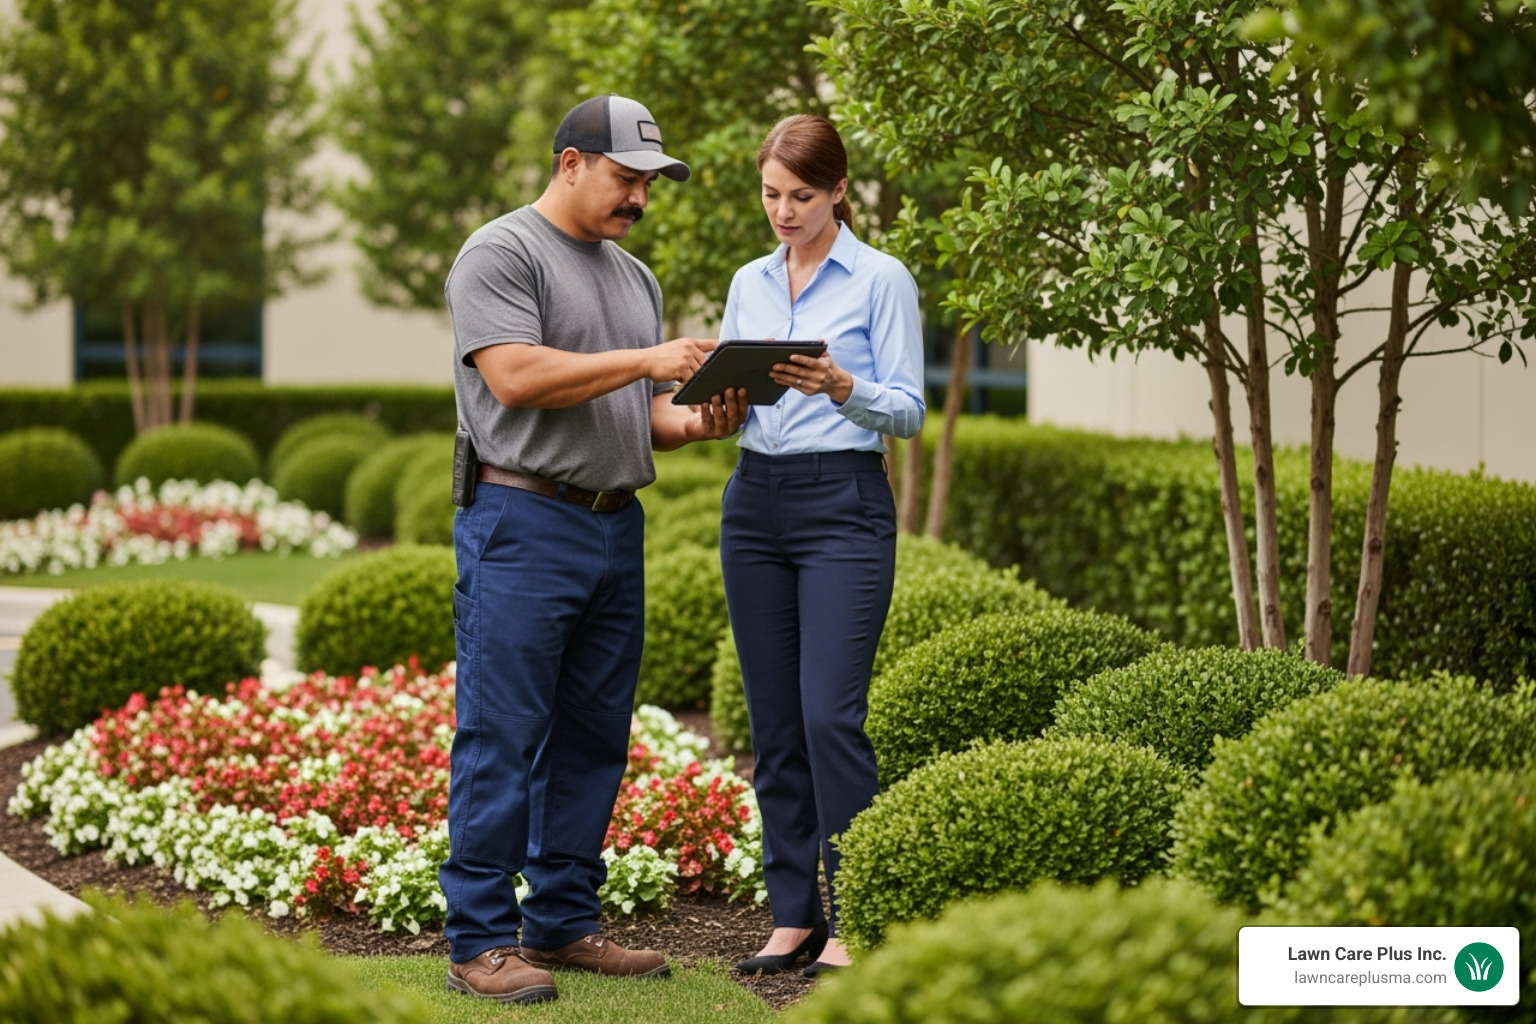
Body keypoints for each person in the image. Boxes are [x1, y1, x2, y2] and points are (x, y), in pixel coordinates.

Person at [439, 93, 747, 1004]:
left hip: (616, 524)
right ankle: (479, 940)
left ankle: (563, 921)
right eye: (626, 177)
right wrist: (651, 361)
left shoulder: (634, 277)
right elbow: (517, 374)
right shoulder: (500, 253)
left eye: (650, 182)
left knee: (591, 739)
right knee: (502, 735)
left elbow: (637, 415)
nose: (640, 198)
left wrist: (697, 420)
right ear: (570, 162)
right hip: (521, 522)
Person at [718, 114, 925, 979]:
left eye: (801, 195)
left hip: (843, 503)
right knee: (775, 727)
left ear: (838, 189)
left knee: (830, 717)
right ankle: (793, 915)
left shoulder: (882, 280)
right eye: (771, 194)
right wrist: (720, 405)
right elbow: (736, 386)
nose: (784, 211)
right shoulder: (749, 281)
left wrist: (845, 386)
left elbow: (909, 411)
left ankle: (857, 912)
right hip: (754, 504)